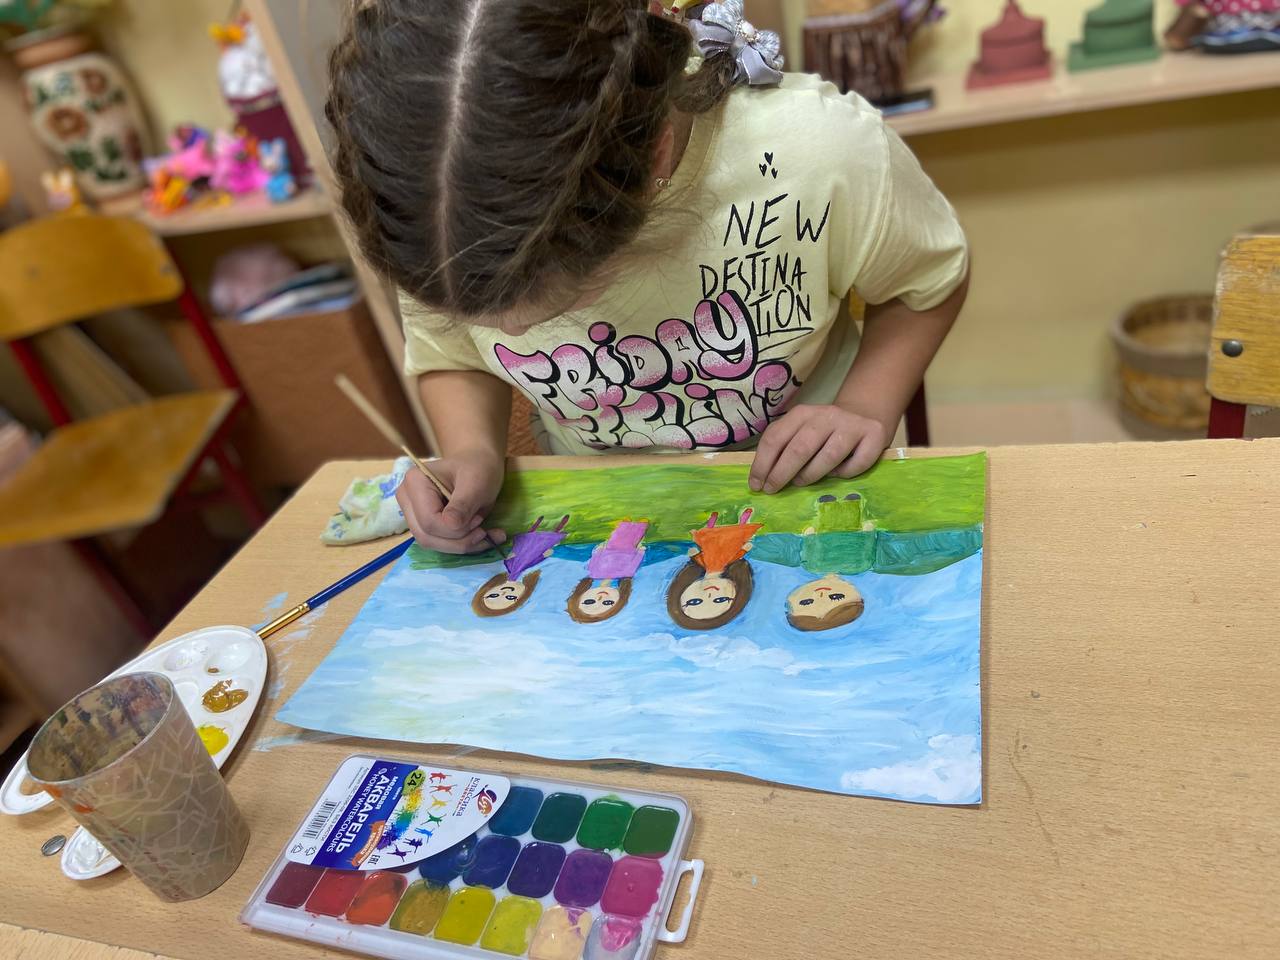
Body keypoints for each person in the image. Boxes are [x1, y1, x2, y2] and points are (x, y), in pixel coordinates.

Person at [327, 0, 970, 555]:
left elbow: (926, 285)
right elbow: (453, 356)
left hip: (810, 486)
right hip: (610, 510)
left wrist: (864, 404)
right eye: (475, 317)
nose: (513, 334)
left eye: (562, 298)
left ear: (654, 156)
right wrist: (472, 451)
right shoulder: (430, 216)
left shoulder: (819, 152)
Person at [667, 509, 762, 630]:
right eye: (720, 599)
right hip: (732, 544)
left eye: (695, 601)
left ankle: (711, 523)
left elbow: (700, 559)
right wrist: (744, 550)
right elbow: (734, 556)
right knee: (738, 536)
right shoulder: (729, 563)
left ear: (678, 596)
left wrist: (695, 555)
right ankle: (743, 520)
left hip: (710, 544)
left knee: (708, 537)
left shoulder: (704, 566)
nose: (709, 595)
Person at [471, 515, 568, 617]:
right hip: (537, 552)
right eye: (510, 597)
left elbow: (510, 560)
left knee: (526, 540)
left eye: (494, 595)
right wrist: (543, 556)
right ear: (523, 596)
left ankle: (538, 523)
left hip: (522, 552)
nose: (504, 593)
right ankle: (560, 525)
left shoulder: (510, 569)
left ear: (487, 589)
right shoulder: (533, 575)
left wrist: (510, 557)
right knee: (546, 542)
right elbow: (533, 562)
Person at [567, 520, 649, 623]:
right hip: (630, 550)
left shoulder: (594, 573)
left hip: (611, 547)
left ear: (579, 596)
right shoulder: (627, 574)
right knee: (638, 533)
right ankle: (640, 524)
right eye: (607, 602)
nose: (600, 598)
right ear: (620, 601)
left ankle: (626, 523)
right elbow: (635, 562)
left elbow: (595, 560)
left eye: (589, 601)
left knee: (619, 533)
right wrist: (640, 552)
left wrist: (599, 551)